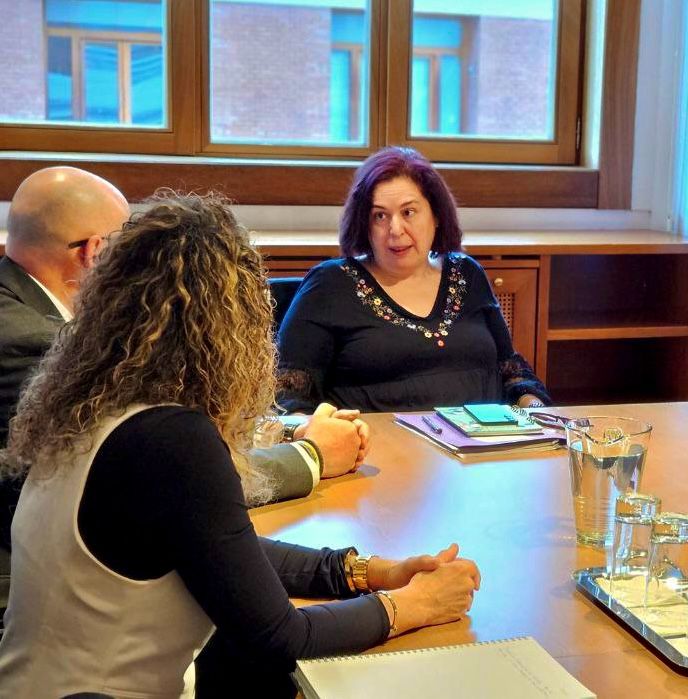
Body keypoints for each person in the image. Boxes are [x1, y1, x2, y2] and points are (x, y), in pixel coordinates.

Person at [0, 192, 482, 695]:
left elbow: (225, 548)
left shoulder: (92, 404)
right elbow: (281, 638)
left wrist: (371, 572)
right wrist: (416, 604)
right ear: (228, 326)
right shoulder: (171, 438)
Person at [0, 167, 369, 614]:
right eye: (129, 248)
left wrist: (287, 431)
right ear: (97, 252)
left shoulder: (28, 312)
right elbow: (170, 478)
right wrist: (312, 456)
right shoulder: (37, 344)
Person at [276, 146, 551, 413]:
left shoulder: (467, 274)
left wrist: (538, 412)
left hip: (483, 441)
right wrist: (311, 432)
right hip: (372, 443)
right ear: (364, 225)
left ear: (436, 215)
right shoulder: (329, 284)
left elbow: (512, 372)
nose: (395, 230)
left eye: (408, 212)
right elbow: (286, 397)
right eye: (380, 216)